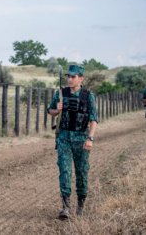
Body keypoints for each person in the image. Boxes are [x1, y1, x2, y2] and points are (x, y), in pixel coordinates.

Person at [48, 64, 98, 219]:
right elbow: (50, 112)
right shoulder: (61, 93)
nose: (70, 79)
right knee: (65, 171)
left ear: (81, 78)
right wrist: (58, 109)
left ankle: (81, 205)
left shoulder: (88, 96)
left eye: (73, 76)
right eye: (68, 76)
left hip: (82, 140)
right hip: (64, 138)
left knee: (82, 172)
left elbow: (93, 118)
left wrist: (90, 137)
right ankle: (65, 207)